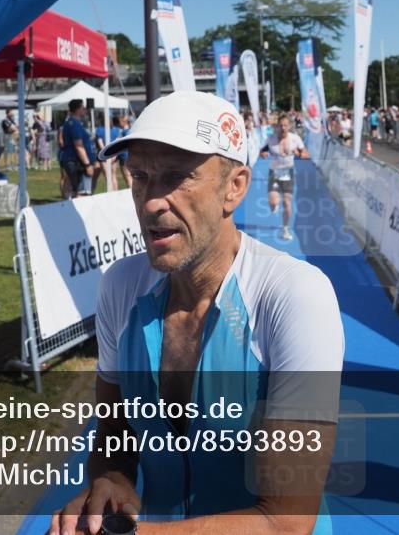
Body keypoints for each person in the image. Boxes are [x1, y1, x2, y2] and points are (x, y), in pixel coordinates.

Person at [52, 91, 343, 535]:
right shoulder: (120, 287)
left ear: (235, 187)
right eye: (140, 176)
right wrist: (111, 486)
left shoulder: (294, 296)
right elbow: (115, 433)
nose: (151, 201)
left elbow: (286, 520)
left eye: (177, 177)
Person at [261, 114, 309, 242]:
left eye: (285, 125)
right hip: (274, 173)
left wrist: (299, 153)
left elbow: (306, 154)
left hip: (288, 173)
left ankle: (285, 228)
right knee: (272, 203)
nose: (283, 128)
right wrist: (264, 153)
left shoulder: (295, 139)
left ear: (289, 126)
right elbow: (262, 151)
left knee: (287, 203)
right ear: (277, 127)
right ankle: (274, 205)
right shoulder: (271, 139)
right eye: (280, 125)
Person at [60, 99, 95, 198]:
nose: (85, 110)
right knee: (82, 193)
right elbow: (79, 146)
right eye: (83, 108)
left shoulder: (73, 123)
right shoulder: (74, 124)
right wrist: (87, 164)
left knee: (74, 190)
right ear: (77, 110)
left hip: (76, 162)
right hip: (77, 163)